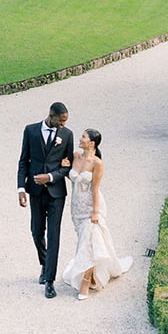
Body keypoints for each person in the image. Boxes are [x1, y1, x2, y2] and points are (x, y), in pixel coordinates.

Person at [60, 128, 133, 299]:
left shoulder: (97, 163)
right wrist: (65, 169)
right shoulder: (75, 156)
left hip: (92, 207)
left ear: (91, 143)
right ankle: (93, 274)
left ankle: (85, 284)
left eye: (83, 136)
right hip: (76, 207)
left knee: (89, 244)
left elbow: (95, 188)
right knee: (86, 243)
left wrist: (95, 212)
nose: (80, 138)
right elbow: (75, 179)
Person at [17, 101, 75, 299]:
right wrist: (21, 188)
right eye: (61, 121)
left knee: (54, 235)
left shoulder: (67, 135)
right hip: (35, 191)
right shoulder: (30, 131)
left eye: (65, 121)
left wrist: (50, 177)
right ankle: (45, 263)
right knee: (36, 231)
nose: (63, 125)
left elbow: (68, 166)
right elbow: (23, 161)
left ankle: (49, 280)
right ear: (51, 116)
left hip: (56, 192)